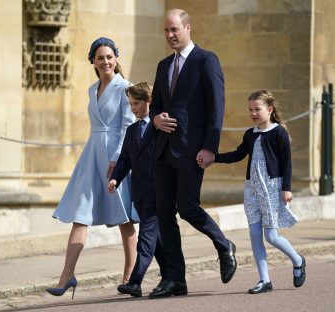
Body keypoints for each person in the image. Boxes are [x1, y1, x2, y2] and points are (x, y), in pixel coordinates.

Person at [148, 9, 237, 299]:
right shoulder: (163, 66)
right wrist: (155, 119)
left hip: (191, 150)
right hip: (163, 151)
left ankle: (224, 245)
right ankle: (175, 279)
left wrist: (210, 147)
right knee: (164, 214)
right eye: (166, 31)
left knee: (187, 207)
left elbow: (216, 106)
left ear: (188, 28)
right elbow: (155, 106)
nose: (170, 35)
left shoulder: (205, 60)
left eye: (175, 29)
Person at [46, 37, 139, 299]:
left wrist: (119, 158)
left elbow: (127, 126)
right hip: (92, 154)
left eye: (110, 56)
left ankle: (129, 277)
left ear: (116, 59)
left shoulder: (125, 88)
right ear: (93, 61)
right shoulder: (91, 89)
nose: (106, 61)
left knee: (124, 218)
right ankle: (66, 276)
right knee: (80, 213)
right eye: (100, 57)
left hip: (116, 156)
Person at [213, 89, 306, 294]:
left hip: (272, 187)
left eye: (257, 109)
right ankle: (264, 280)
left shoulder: (278, 132)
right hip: (252, 189)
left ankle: (298, 260)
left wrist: (286, 188)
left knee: (271, 236)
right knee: (254, 234)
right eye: (250, 110)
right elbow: (238, 154)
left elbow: (287, 163)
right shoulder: (250, 134)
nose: (253, 113)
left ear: (270, 110)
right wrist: (215, 157)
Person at [108, 82, 166, 297]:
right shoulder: (132, 130)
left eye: (137, 103)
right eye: (130, 104)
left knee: (147, 236)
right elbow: (125, 160)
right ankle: (173, 277)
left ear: (149, 101)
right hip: (139, 192)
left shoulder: (160, 126)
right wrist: (116, 179)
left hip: (158, 190)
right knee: (157, 240)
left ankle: (135, 281)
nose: (133, 108)